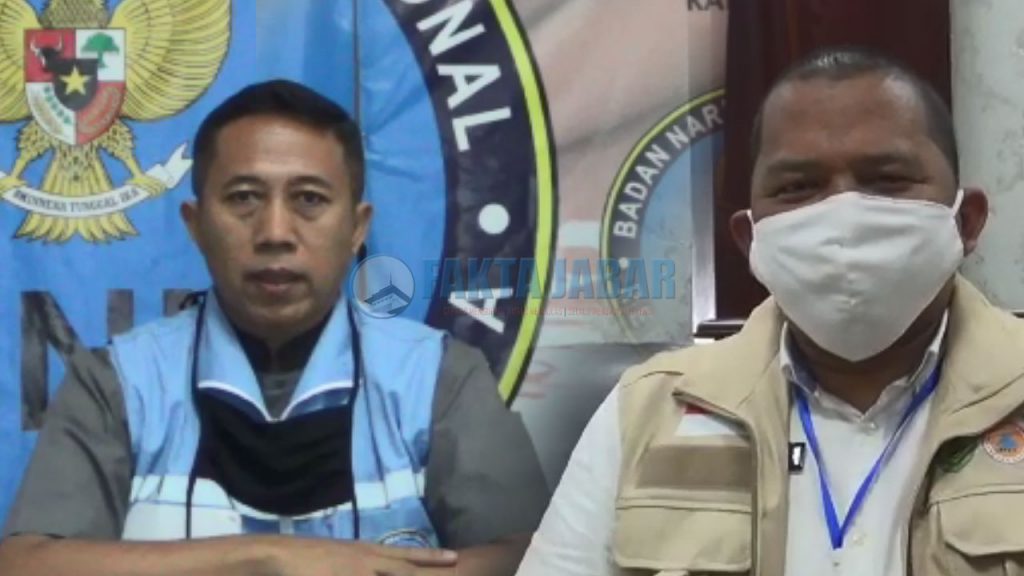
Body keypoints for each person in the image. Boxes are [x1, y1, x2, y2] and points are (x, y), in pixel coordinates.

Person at [0, 79, 548, 576]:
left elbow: (534, 556)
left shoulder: (436, 376)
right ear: (196, 224)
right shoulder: (118, 382)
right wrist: (268, 557)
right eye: (244, 198)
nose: (275, 232)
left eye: (309, 200)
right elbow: (27, 564)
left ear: (357, 228)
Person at [515, 47, 1024, 576]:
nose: (842, 213)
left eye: (886, 179)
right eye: (798, 187)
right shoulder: (647, 411)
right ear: (749, 239)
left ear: (966, 221)